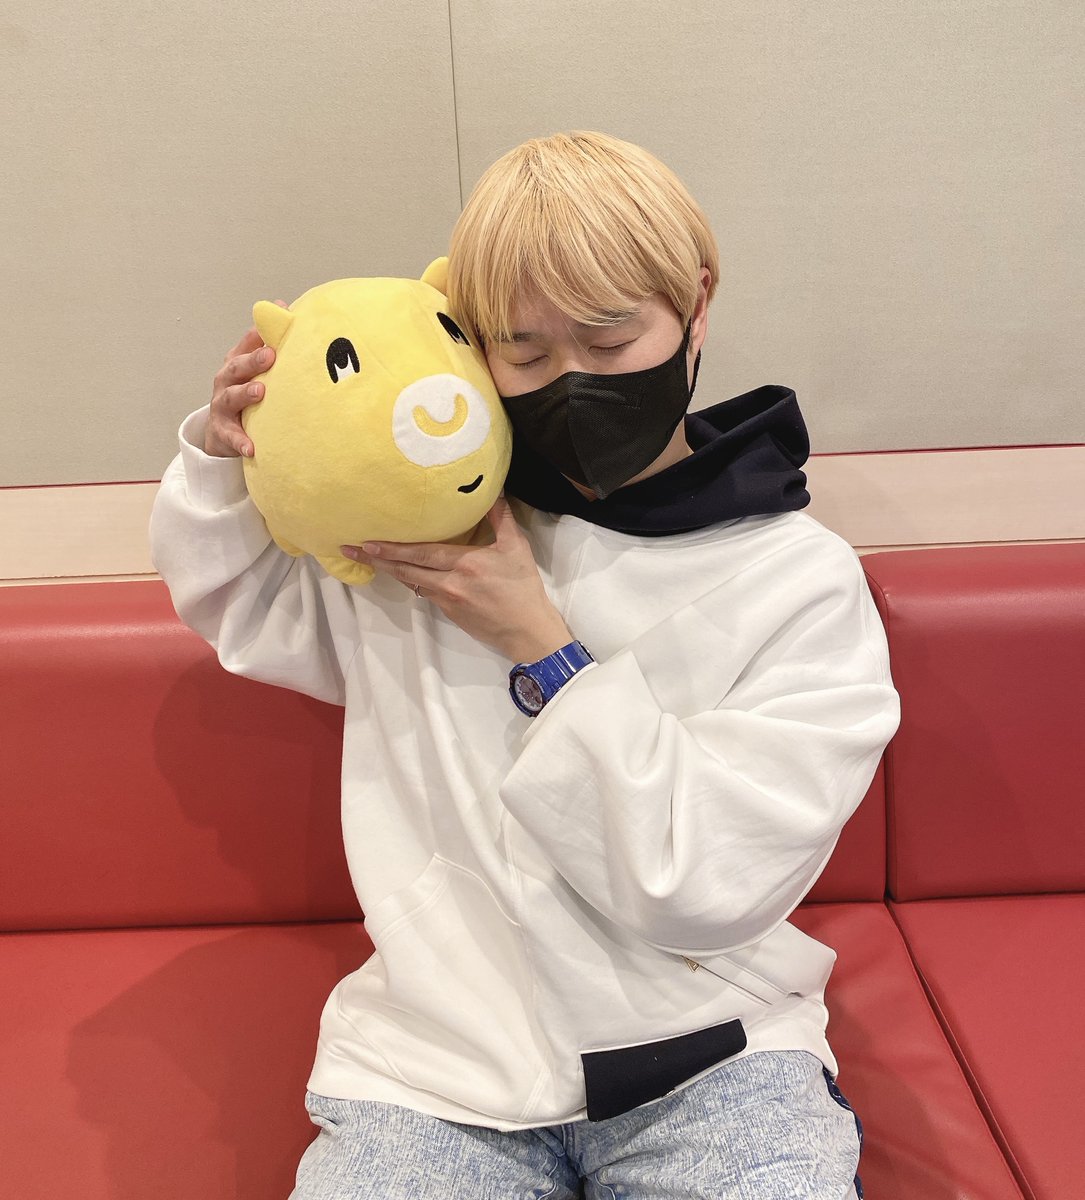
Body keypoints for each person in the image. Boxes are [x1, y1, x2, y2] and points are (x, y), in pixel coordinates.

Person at [150, 130, 899, 1199]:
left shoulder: (797, 580)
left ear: (694, 304)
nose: (571, 382)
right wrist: (227, 462)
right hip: (435, 1071)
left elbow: (704, 885)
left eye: (609, 336)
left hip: (713, 1061)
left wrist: (544, 648)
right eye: (524, 353)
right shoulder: (438, 526)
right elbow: (251, 605)